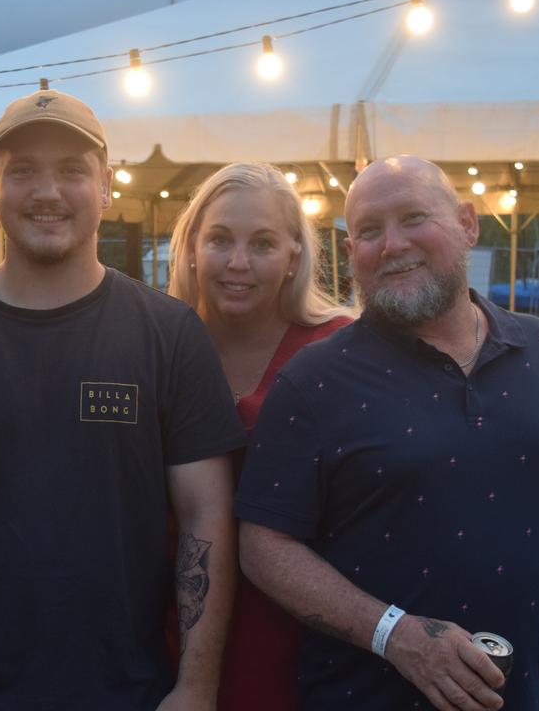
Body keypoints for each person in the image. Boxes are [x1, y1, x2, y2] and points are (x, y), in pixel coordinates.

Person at [0, 89, 245, 711]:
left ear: (106, 184)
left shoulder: (169, 335)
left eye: (72, 170)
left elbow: (207, 515)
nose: (48, 192)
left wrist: (196, 688)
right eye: (24, 171)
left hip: (130, 693)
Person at [235, 155, 539, 711]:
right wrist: (394, 635)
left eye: (414, 217)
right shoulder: (313, 380)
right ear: (351, 255)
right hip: (365, 696)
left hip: (530, 694)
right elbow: (262, 545)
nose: (392, 243)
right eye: (369, 231)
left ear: (468, 224)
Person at [166, 161, 352, 710]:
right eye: (220, 239)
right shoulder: (156, 343)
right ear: (193, 245)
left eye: (264, 244)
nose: (238, 263)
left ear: (296, 252)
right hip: (166, 625)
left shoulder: (342, 350)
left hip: (301, 630)